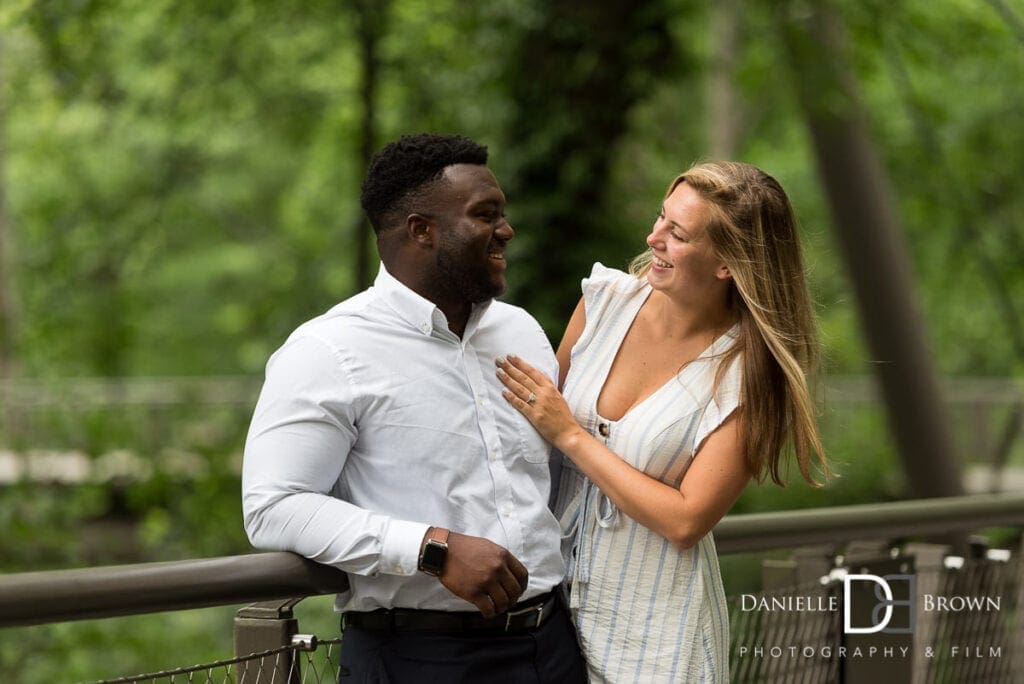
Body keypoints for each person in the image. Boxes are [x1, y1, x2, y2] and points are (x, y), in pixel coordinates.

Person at [242, 133, 586, 683]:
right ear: (421, 231)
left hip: (553, 647)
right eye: (486, 215)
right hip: (419, 659)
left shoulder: (519, 330)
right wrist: (433, 549)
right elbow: (273, 507)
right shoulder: (328, 350)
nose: (506, 230)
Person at [496, 161, 830, 682]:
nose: (654, 238)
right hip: (547, 619)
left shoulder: (750, 373)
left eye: (678, 234)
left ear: (727, 263)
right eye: (660, 218)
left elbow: (686, 520)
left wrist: (571, 435)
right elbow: (532, 435)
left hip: (656, 638)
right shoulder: (602, 303)